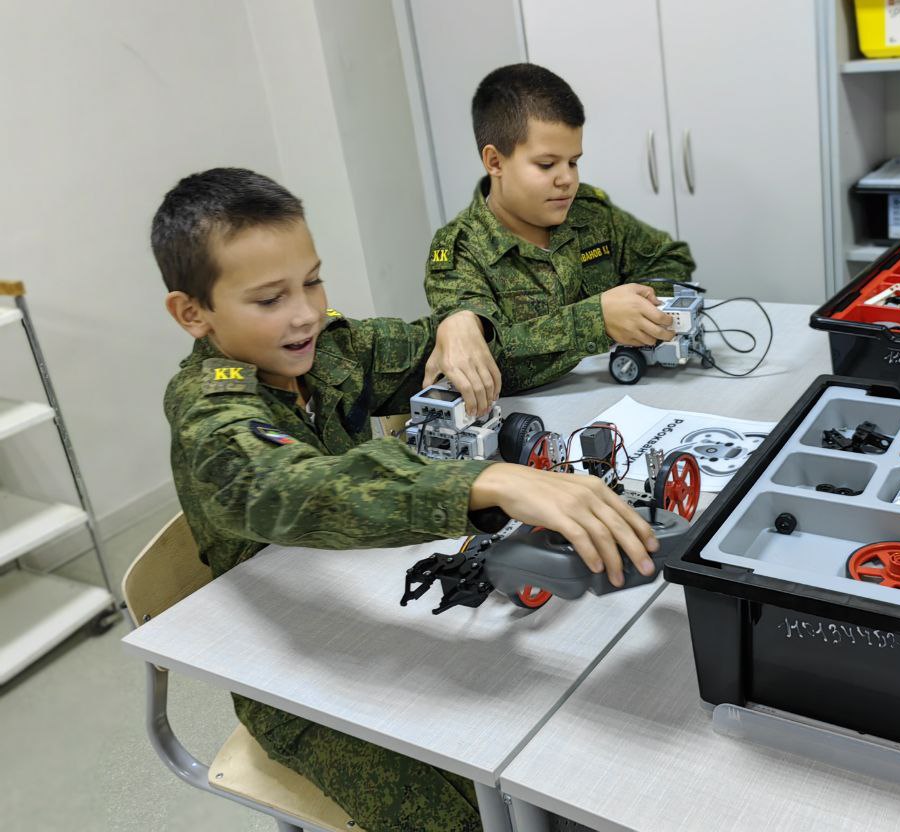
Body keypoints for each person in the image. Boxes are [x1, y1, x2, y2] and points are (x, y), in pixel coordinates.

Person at [153, 167, 660, 832]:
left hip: (378, 602)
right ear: (192, 313)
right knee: (483, 814)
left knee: (562, 768)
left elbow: (473, 356)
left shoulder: (330, 351)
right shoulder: (209, 413)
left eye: (312, 281)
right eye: (270, 298)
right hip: (294, 682)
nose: (305, 313)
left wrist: (466, 324)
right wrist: (484, 483)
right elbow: (293, 487)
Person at [424, 63, 695, 410]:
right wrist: (599, 321)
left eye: (573, 162)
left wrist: (640, 312)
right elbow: (491, 364)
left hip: (631, 398)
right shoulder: (460, 250)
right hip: (533, 423)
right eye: (546, 164)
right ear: (495, 162)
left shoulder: (588, 212)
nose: (567, 179)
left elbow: (670, 258)